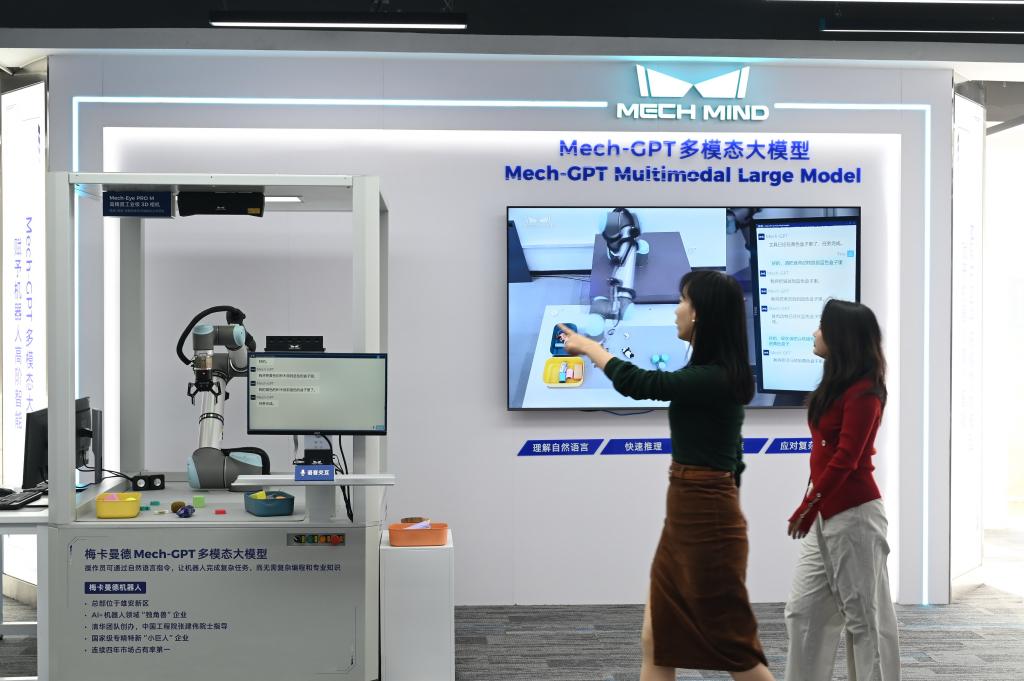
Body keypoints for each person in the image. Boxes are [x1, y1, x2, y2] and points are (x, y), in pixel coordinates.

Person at [559, 270, 775, 681]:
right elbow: (735, 458)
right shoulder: (714, 372)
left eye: (682, 300)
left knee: (733, 644)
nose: (676, 310)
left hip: (705, 515)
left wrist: (589, 347)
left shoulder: (713, 377)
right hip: (689, 508)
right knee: (657, 639)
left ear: (699, 314)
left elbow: (640, 383)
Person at [784, 299, 900, 681]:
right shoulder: (836, 385)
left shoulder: (866, 392)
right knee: (803, 613)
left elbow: (846, 458)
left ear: (841, 336)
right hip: (824, 512)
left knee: (864, 622)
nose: (815, 333)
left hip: (855, 515)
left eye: (821, 326)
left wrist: (807, 506)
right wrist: (812, 506)